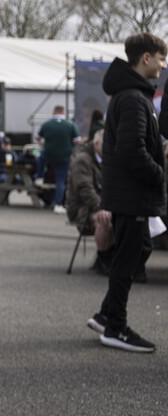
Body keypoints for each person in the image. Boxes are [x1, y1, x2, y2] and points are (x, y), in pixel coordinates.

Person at [87, 33, 166, 353]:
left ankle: (107, 315)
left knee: (136, 251)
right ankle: (115, 327)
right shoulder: (133, 97)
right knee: (128, 260)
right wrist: (159, 173)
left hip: (128, 194)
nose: (163, 65)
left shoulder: (130, 94)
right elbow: (132, 150)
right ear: (146, 58)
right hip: (132, 195)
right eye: (161, 58)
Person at [66, 129, 112, 274]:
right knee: (104, 219)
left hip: (101, 204)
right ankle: (103, 259)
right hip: (82, 208)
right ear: (96, 144)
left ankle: (113, 258)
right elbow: (84, 189)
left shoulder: (106, 158)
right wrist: (100, 207)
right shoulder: (83, 160)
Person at [36, 105, 81, 214]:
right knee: (60, 181)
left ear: (53, 112)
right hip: (64, 156)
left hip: (49, 154)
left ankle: (39, 177)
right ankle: (58, 204)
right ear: (63, 112)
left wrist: (43, 144)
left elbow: (38, 137)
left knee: (40, 156)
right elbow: (77, 140)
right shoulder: (70, 124)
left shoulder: (47, 124)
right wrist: (69, 145)